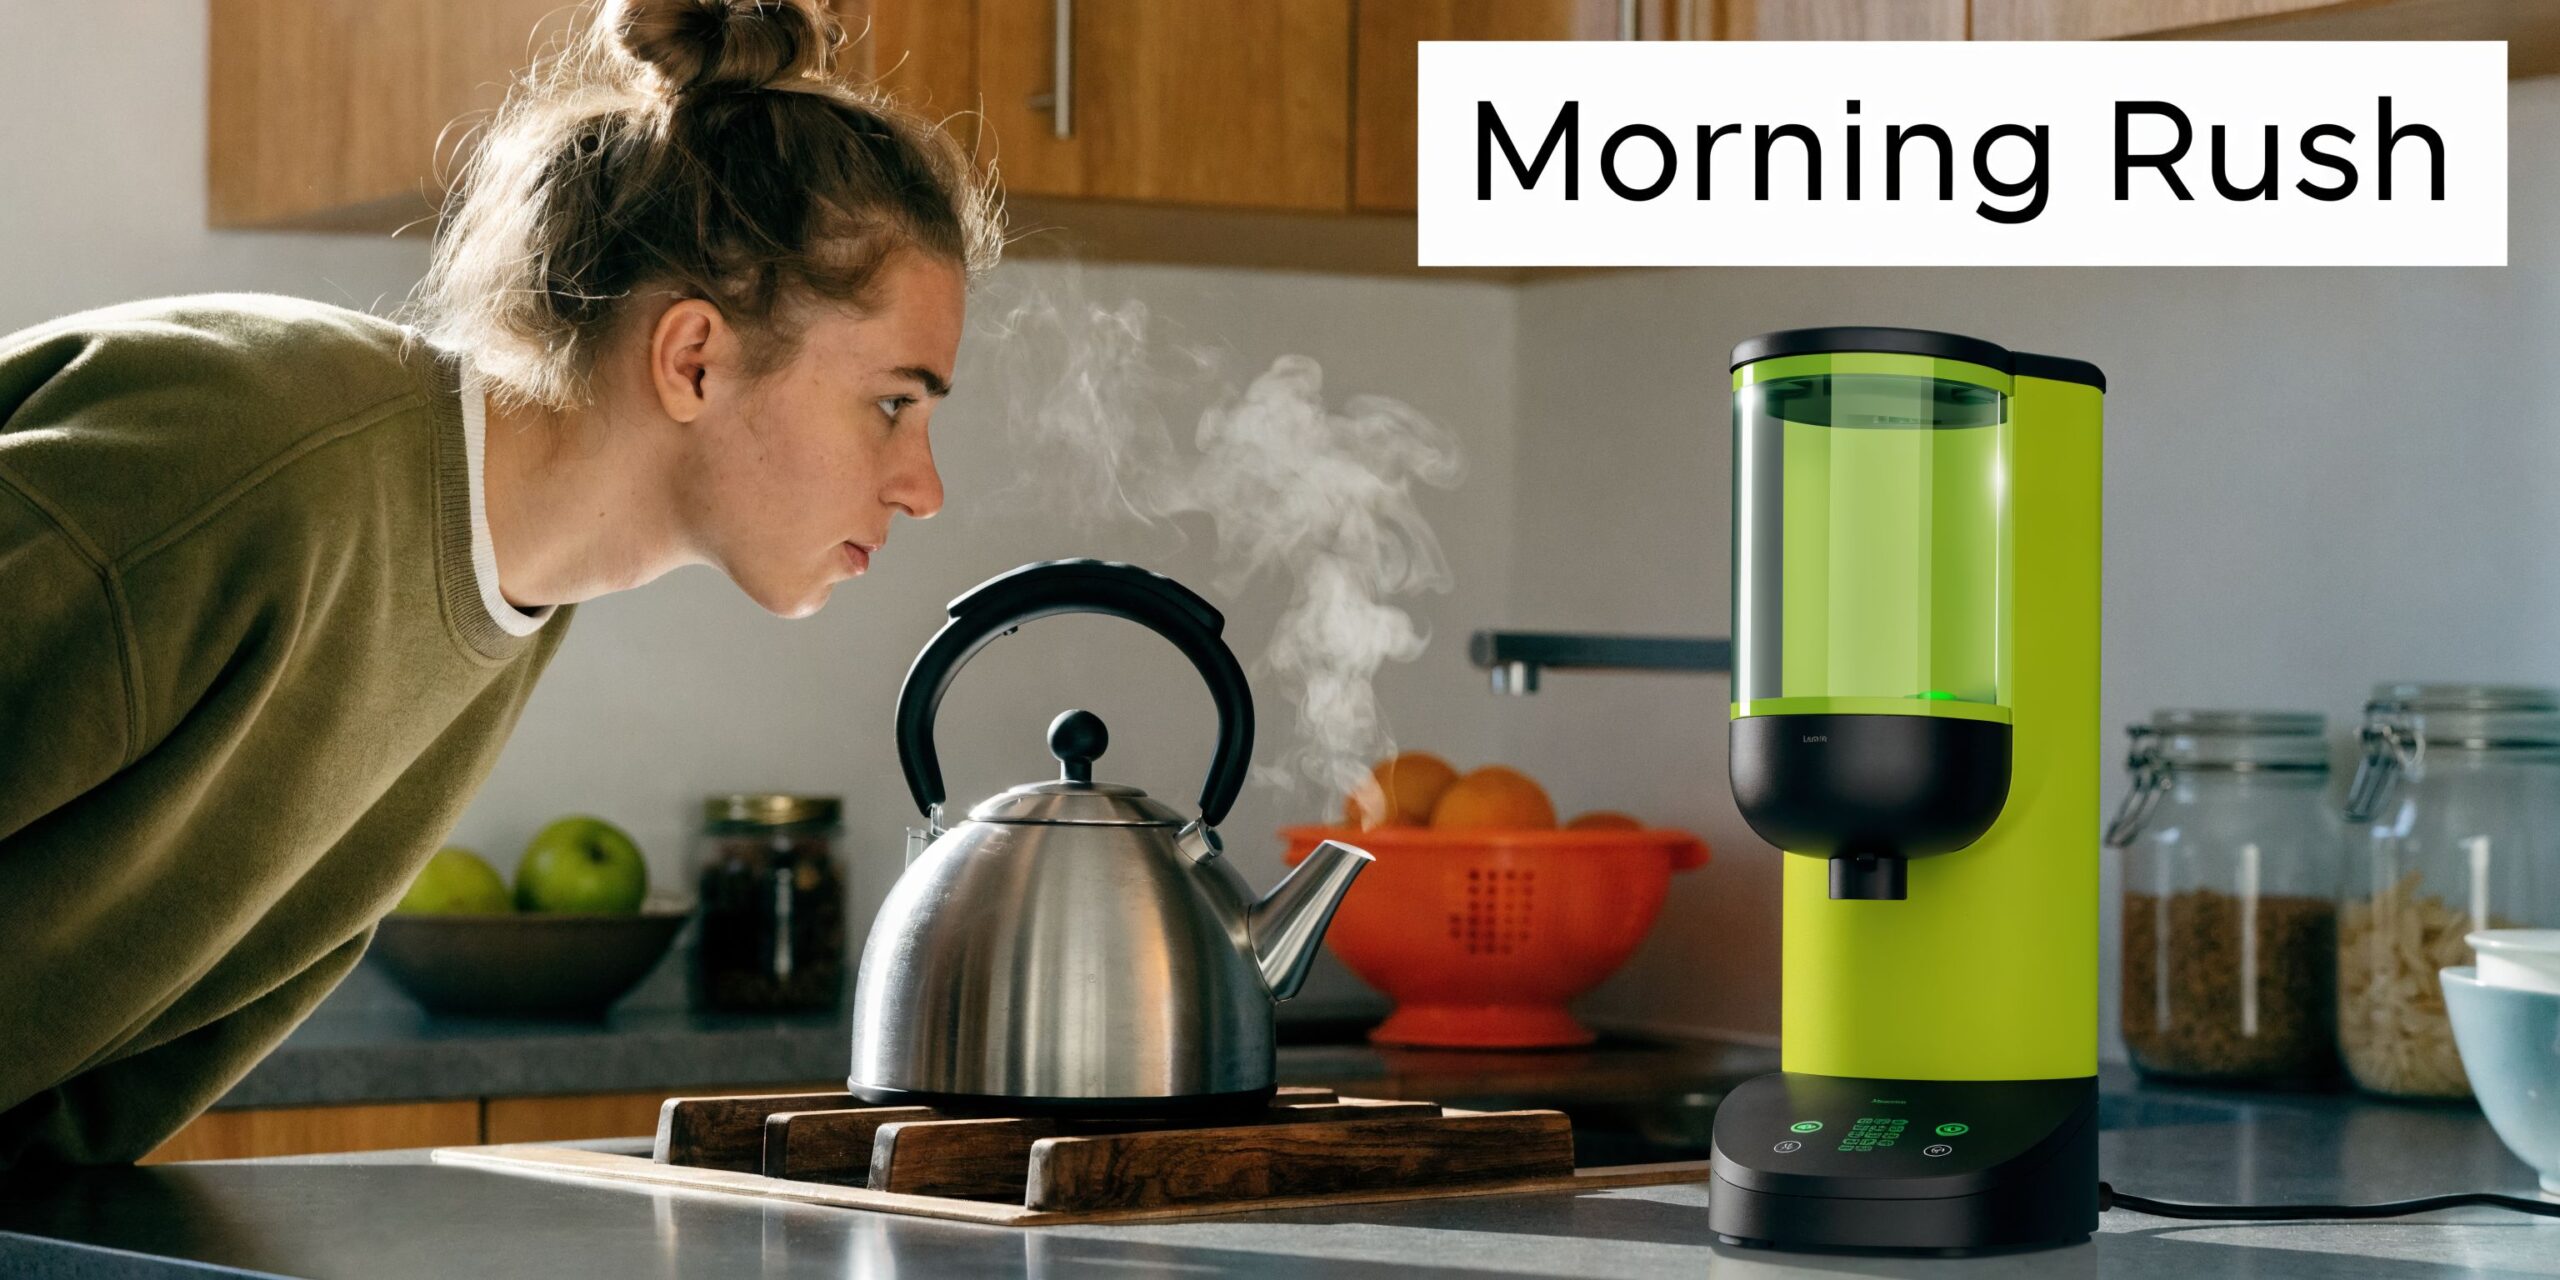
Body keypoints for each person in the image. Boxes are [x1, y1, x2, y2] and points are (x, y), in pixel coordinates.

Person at [0, 0, 999, 1167]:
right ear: (694, 359)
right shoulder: (249, 462)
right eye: (893, 401)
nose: (922, 487)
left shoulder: (506, 597)